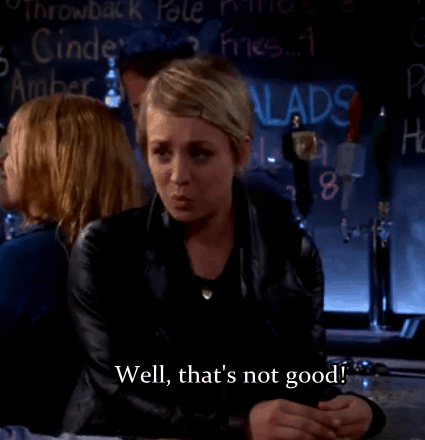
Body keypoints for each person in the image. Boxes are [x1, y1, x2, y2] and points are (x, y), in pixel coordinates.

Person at [62, 54, 386, 440]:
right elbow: (118, 390)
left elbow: (302, 382)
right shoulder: (107, 248)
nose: (178, 176)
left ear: (240, 153)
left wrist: (357, 411)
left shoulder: (292, 252)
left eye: (200, 153)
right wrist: (240, 425)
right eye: (162, 152)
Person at [0, 93, 142, 434]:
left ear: (52, 161)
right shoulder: (133, 258)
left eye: (14, 149)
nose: (2, 161)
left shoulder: (24, 261)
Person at [118, 26, 294, 224]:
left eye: (165, 102)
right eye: (138, 107)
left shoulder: (251, 184)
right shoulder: (127, 179)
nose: (149, 118)